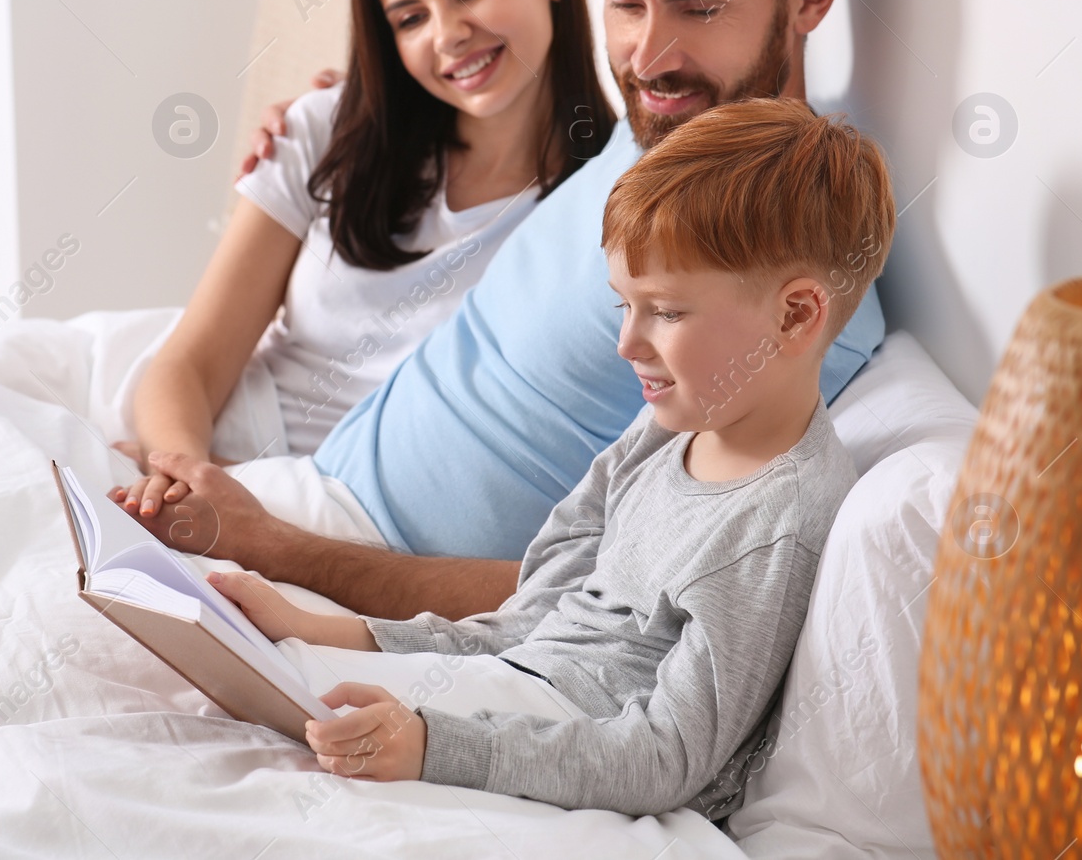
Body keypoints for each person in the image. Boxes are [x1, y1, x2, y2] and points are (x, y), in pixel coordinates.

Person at [123, 0, 888, 621]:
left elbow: (616, 590)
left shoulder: (793, 279)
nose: (649, 56)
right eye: (626, 3)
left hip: (345, 575)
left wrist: (277, 548)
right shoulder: (652, 137)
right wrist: (345, 113)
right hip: (296, 496)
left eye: (700, 7)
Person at [208, 98, 895, 818]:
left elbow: (669, 757)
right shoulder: (664, 428)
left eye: (664, 310)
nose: (627, 344)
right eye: (623, 306)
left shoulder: (777, 519)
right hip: (510, 688)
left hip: (567, 746)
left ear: (795, 315)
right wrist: (319, 627)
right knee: (234, 675)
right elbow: (530, 618)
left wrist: (432, 745)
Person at [113, 0, 614, 517]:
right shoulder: (325, 129)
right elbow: (190, 362)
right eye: (409, 18)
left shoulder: (603, 206)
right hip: (199, 442)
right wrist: (187, 470)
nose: (448, 35)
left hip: (348, 509)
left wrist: (252, 497)